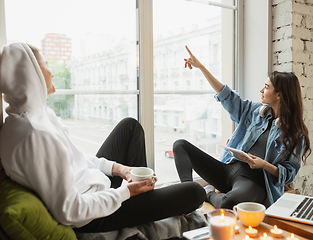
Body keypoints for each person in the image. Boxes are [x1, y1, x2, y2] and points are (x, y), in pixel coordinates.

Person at [0, 43, 205, 233]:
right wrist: (126, 193)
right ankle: (141, 201)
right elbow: (70, 211)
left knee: (129, 126)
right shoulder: (35, 135)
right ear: (31, 75)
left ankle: (141, 197)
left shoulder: (38, 115)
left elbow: (77, 158)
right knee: (195, 192)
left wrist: (119, 168)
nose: (51, 72)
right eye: (45, 65)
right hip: (92, 214)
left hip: (95, 187)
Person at [173, 46, 311, 209]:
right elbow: (227, 95)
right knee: (180, 145)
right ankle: (188, 193)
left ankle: (207, 194)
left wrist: (263, 164)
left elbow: (288, 175)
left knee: (228, 203)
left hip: (254, 182)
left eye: (266, 87)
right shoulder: (254, 111)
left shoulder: (296, 135)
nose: (261, 90)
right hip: (227, 170)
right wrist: (201, 67)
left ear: (279, 94)